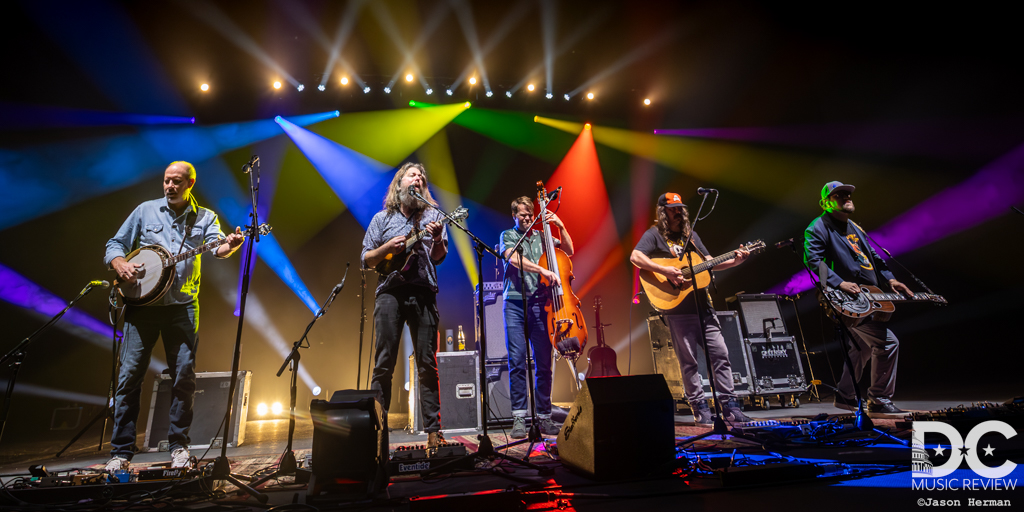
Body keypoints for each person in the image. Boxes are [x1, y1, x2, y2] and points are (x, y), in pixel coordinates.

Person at [104, 161, 244, 472]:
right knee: (129, 378)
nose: (169, 186)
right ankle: (121, 452)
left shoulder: (205, 217)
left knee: (183, 377)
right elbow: (115, 244)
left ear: (190, 183)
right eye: (166, 181)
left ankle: (179, 446)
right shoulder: (145, 211)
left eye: (176, 181)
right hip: (142, 309)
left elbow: (216, 248)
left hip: (182, 306)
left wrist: (231, 246)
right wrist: (119, 264)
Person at [630, 192, 752, 425]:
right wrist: (666, 271)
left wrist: (736, 260)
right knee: (689, 362)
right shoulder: (654, 234)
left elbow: (709, 261)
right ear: (663, 211)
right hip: (677, 309)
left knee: (721, 355)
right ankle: (699, 406)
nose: (679, 211)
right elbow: (635, 257)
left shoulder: (691, 235)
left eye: (680, 208)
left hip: (703, 307)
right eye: (673, 208)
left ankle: (730, 406)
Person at [804, 181, 912, 415]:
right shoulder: (818, 227)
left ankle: (845, 395)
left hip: (868, 297)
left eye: (847, 194)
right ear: (825, 202)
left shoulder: (855, 227)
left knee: (861, 347)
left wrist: (890, 279)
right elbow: (813, 261)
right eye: (839, 195)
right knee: (887, 342)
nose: (846, 197)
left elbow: (873, 257)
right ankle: (880, 399)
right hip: (845, 300)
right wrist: (839, 282)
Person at [361, 162, 448, 450]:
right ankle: (377, 432)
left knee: (427, 362)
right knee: (384, 363)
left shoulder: (434, 216)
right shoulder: (382, 218)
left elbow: (438, 256)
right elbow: (367, 259)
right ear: (400, 184)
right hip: (390, 293)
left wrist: (437, 239)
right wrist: (388, 249)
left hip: (423, 292)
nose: (419, 178)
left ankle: (434, 431)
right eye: (413, 175)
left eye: (422, 176)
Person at [499, 196, 574, 439]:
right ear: (514, 215)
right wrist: (542, 269)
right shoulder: (508, 236)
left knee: (544, 363)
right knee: (518, 361)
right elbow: (513, 258)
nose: (528, 218)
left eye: (531, 215)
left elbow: (569, 251)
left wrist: (560, 226)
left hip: (542, 304)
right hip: (515, 304)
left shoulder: (543, 237)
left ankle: (544, 417)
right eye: (523, 215)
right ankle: (520, 417)